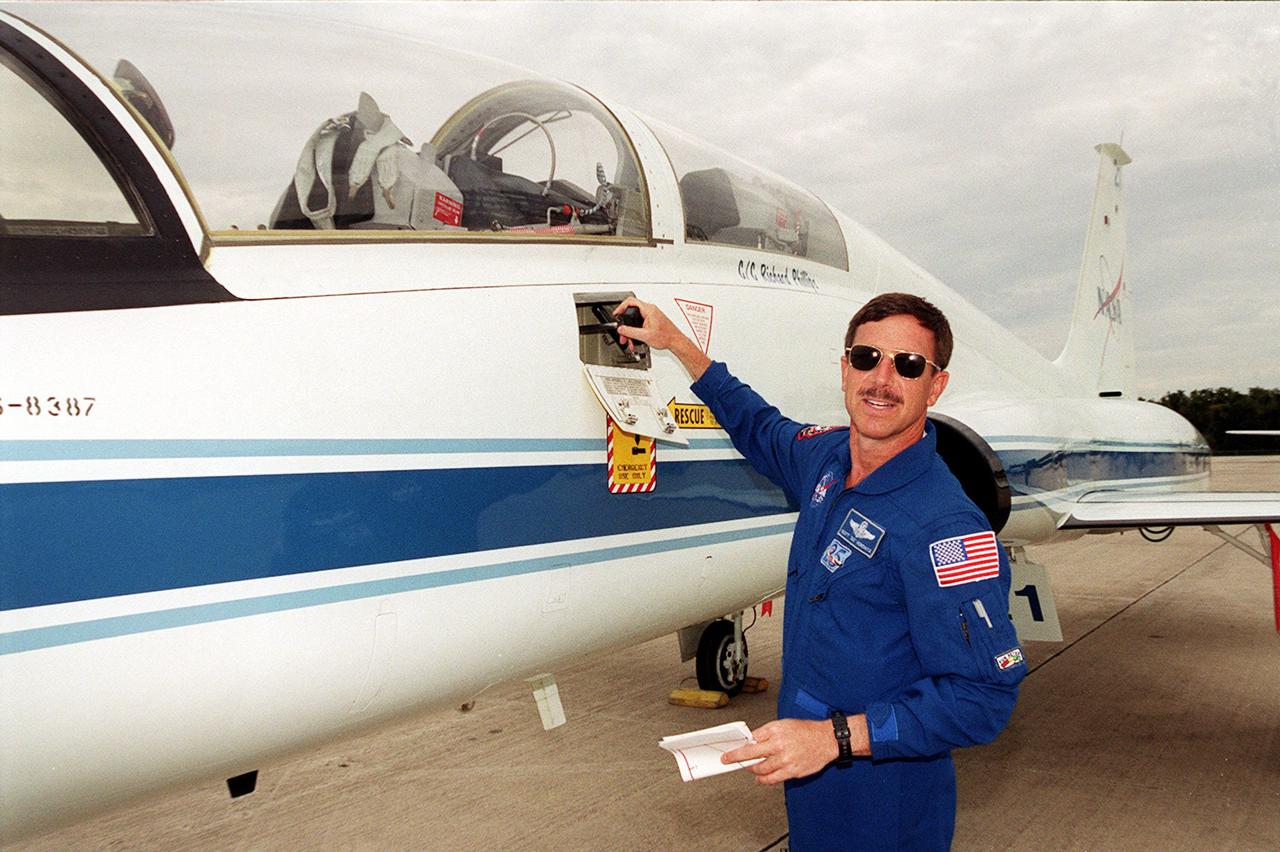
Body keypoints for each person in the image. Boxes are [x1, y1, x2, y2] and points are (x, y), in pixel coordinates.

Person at [615, 292, 1024, 851]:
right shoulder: (827, 457)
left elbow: (983, 698)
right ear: (843, 367)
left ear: (935, 386)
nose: (881, 380)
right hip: (810, 781)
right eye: (866, 358)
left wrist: (835, 739)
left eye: (907, 366)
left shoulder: (945, 526)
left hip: (887, 800)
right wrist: (676, 344)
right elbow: (758, 425)